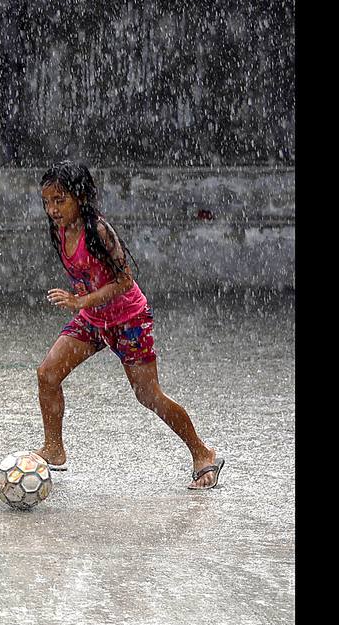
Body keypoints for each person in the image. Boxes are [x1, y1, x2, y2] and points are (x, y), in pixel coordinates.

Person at [35, 161, 224, 490]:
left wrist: (82, 301)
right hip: (95, 320)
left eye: (60, 200)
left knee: (148, 395)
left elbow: (124, 281)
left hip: (128, 321)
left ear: (80, 197)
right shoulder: (59, 229)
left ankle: (202, 452)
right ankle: (54, 449)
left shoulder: (98, 231)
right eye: (48, 201)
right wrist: (86, 302)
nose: (52, 209)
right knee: (47, 374)